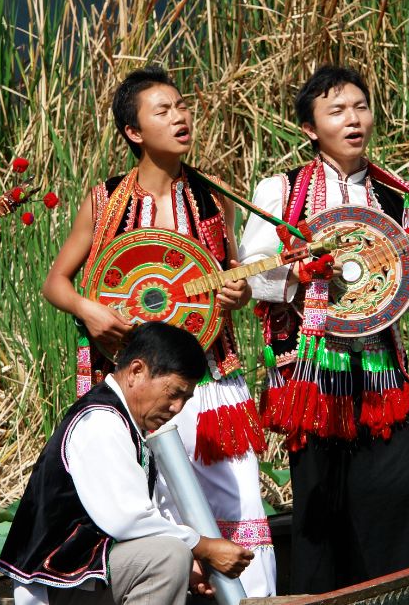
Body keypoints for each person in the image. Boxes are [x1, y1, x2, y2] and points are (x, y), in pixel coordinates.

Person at [41, 66, 276, 596]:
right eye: (162, 110)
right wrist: (89, 310)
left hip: (210, 374)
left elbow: (232, 278)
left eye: (181, 106)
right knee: (160, 497)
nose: (180, 117)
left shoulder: (211, 201)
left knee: (238, 497)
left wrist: (234, 297)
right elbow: (56, 282)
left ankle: (256, 597)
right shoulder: (104, 202)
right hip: (143, 380)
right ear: (133, 131)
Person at [238, 65, 409, 593]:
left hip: (379, 370)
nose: (353, 120)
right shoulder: (280, 191)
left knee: (403, 490)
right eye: (336, 111)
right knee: (322, 502)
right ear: (310, 128)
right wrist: (301, 271)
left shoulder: (392, 197)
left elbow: (403, 302)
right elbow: (252, 276)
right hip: (312, 372)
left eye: (360, 107)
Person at [0, 322, 253, 605]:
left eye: (185, 399)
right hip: (58, 581)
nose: (177, 408)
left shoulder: (125, 421)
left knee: (172, 557)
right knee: (168, 557)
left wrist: (189, 568)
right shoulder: (101, 421)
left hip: (84, 577)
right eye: (173, 393)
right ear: (136, 372)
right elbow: (127, 519)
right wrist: (201, 547)